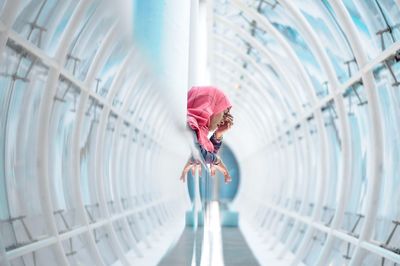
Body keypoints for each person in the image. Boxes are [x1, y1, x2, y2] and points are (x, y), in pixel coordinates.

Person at [180, 86, 234, 183]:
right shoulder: (190, 125)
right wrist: (217, 161)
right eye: (224, 113)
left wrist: (218, 134)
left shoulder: (198, 129)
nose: (224, 120)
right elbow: (200, 154)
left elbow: (207, 153)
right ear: (210, 107)